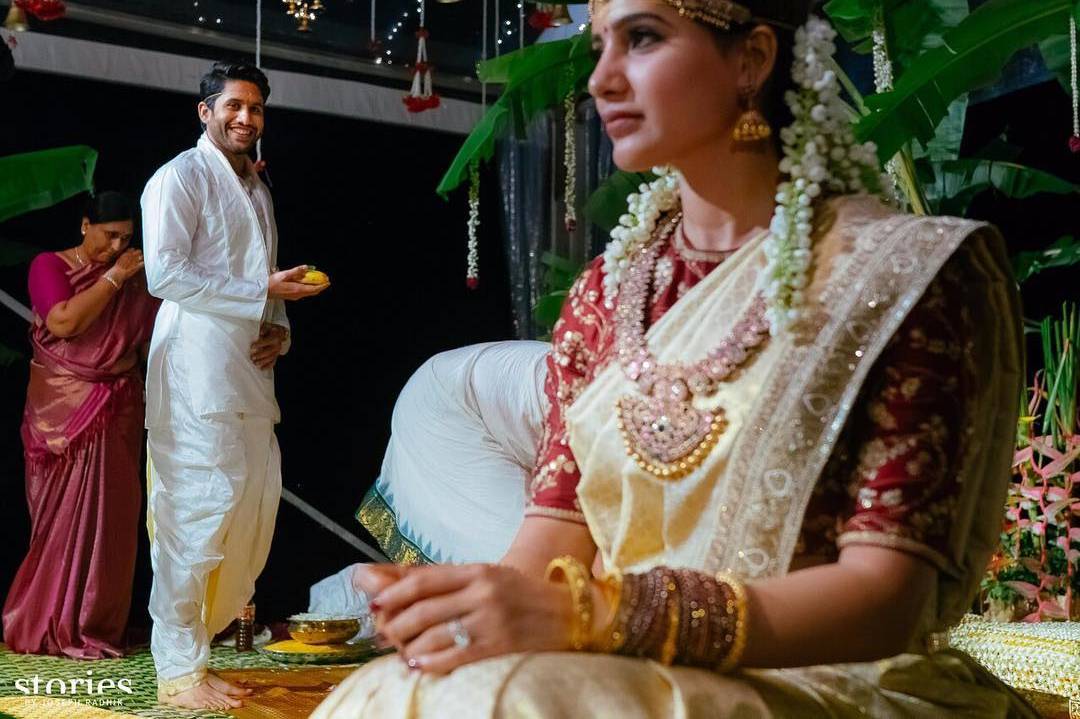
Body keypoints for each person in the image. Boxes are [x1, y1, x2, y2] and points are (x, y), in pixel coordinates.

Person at [312, 1, 1037, 716]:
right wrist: (468, 615)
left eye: (643, 38)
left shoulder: (901, 274)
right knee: (393, 689)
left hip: (827, 679)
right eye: (599, 46)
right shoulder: (605, 294)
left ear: (751, 58)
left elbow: (888, 597)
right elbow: (553, 535)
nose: (601, 79)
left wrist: (600, 616)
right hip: (626, 665)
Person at [141, 61, 327, 711]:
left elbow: (263, 278)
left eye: (256, 108)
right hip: (194, 367)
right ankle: (177, 672)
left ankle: (200, 659)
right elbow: (164, 274)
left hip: (249, 370)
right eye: (234, 106)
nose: (246, 117)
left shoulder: (257, 188)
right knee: (195, 513)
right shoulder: (179, 178)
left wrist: (280, 329)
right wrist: (262, 292)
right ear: (205, 111)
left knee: (246, 514)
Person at [4, 192, 159, 659]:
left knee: (113, 523)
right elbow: (64, 321)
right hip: (63, 415)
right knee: (59, 523)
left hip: (118, 410)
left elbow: (151, 335)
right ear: (85, 225)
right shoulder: (49, 266)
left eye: (126, 239)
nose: (117, 247)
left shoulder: (137, 279)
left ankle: (96, 627)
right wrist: (114, 277)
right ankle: (46, 623)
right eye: (109, 235)